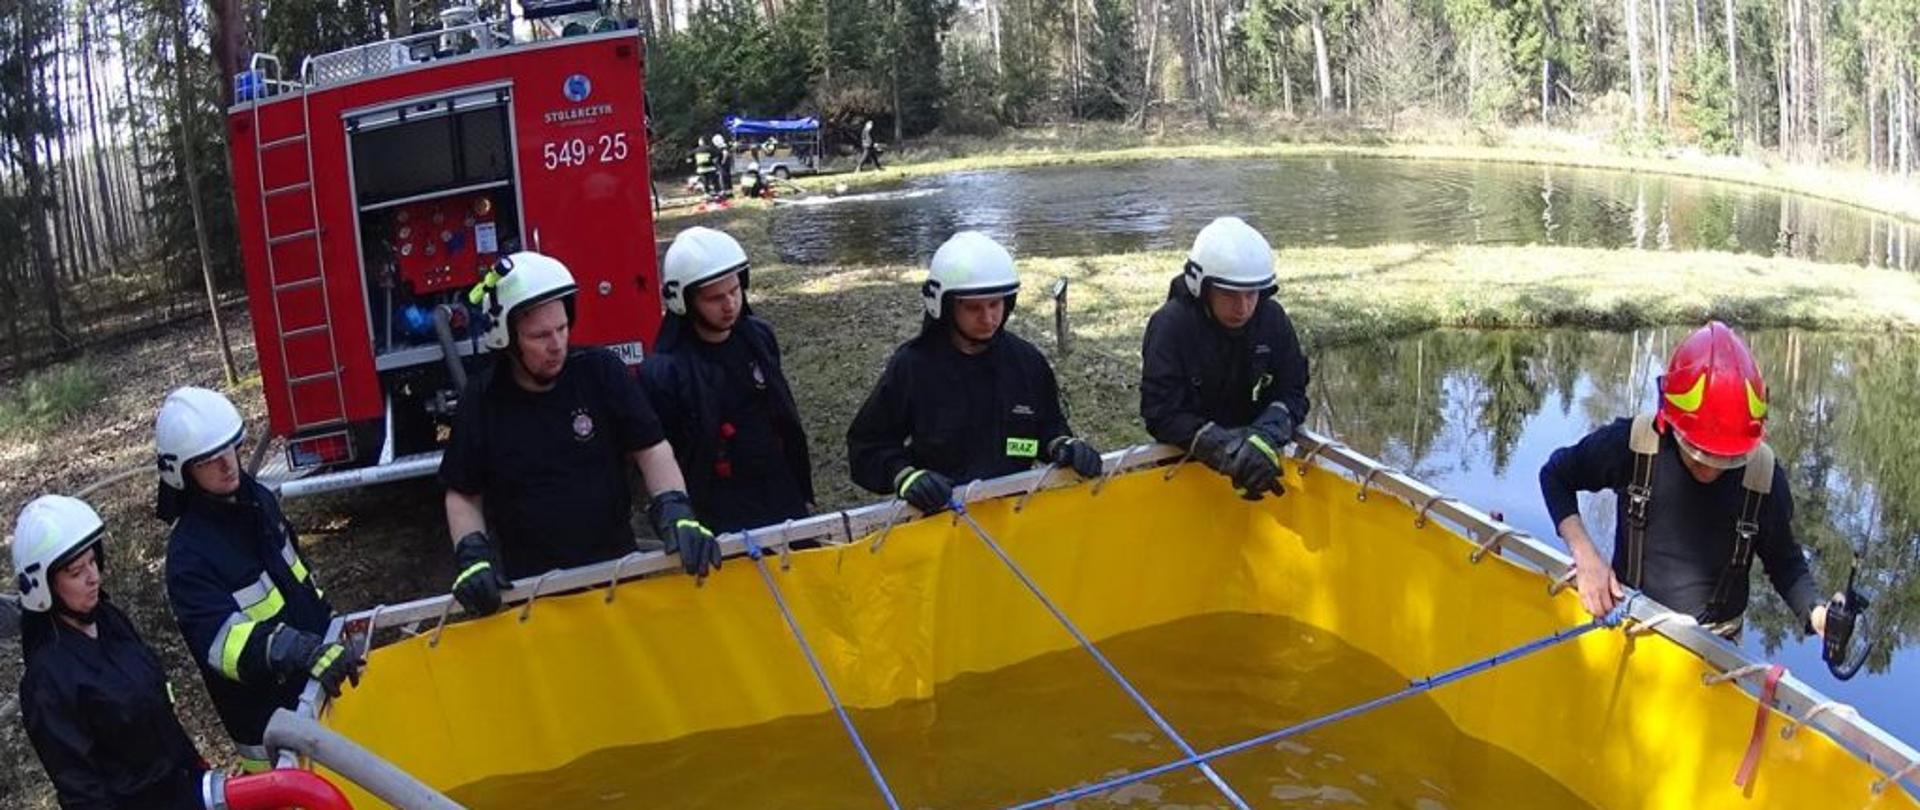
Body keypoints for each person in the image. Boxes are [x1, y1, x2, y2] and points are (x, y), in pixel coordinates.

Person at [443, 251, 721, 617]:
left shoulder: (600, 373)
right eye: (540, 335)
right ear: (506, 338)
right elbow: (462, 492)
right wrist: (473, 555)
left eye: (562, 328)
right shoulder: (482, 400)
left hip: (617, 571)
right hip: (532, 590)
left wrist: (675, 508)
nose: (556, 344)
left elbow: (651, 448)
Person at [1539, 321, 1831, 639]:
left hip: (1716, 651)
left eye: (1727, 458)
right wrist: (1585, 556)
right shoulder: (1635, 445)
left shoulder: (1762, 475)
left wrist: (1817, 612)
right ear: (1669, 422)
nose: (1710, 468)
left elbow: (1785, 562)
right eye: (1697, 451)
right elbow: (1556, 476)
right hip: (1628, 632)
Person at [157, 386, 362, 773]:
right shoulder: (188, 557)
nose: (226, 465)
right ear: (183, 474)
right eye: (208, 460)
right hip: (271, 727)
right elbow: (224, 646)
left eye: (230, 449)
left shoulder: (258, 501)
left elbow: (299, 578)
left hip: (318, 683)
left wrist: (329, 629)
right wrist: (299, 649)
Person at [847, 231, 1105, 514]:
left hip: (1015, 514)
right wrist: (904, 476)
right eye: (973, 308)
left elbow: (1042, 432)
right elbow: (867, 447)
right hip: (943, 519)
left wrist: (1063, 445)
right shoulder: (913, 367)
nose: (988, 318)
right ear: (944, 306)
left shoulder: (1026, 362)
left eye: (995, 304)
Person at [16, 494, 212, 807]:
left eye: (93, 562)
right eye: (76, 572)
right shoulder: (48, 680)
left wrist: (195, 766)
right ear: (44, 587)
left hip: (182, 788)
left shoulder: (109, 620)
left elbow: (159, 711)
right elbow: (82, 791)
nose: (93, 578)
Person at [641, 227, 814, 533]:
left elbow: (784, 416)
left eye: (734, 291)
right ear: (683, 301)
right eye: (714, 298)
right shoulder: (665, 372)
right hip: (718, 507)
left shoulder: (759, 338)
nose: (729, 305)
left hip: (779, 490)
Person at [1139, 216, 1310, 500]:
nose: (1243, 307)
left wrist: (1266, 438)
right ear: (1202, 287)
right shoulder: (1171, 326)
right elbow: (1161, 412)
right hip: (1186, 468)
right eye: (1230, 294)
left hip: (1260, 464)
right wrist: (1227, 451)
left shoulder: (1272, 320)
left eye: (1251, 294)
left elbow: (1293, 390)